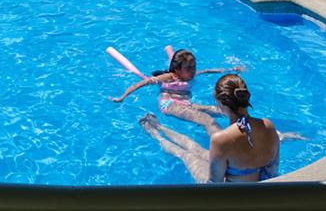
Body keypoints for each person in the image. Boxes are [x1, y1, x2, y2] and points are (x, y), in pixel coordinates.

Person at [139, 74, 280, 183]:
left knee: (186, 154)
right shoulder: (268, 125)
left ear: (220, 103)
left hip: (234, 197)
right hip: (262, 191)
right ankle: (160, 128)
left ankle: (157, 133)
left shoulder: (221, 139)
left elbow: (215, 184)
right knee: (200, 152)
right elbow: (272, 170)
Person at [111, 49, 243, 135]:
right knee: (206, 120)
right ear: (177, 70)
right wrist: (122, 97)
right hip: (169, 104)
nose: (193, 71)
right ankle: (225, 149)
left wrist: (231, 69)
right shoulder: (169, 77)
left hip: (186, 104)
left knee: (221, 110)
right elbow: (142, 83)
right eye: (188, 68)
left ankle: (244, 130)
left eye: (194, 67)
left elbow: (208, 71)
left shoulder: (191, 74)